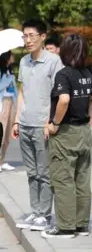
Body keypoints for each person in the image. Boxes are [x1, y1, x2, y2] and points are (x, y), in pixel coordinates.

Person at [12, 19, 64, 231]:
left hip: (42, 125)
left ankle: (44, 214)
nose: (28, 40)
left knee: (44, 172)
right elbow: (22, 91)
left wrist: (51, 123)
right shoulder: (24, 61)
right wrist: (16, 119)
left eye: (32, 35)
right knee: (31, 172)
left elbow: (58, 95)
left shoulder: (54, 62)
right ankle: (35, 213)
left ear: (43, 37)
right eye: (25, 36)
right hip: (24, 124)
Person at [42, 33, 91, 239]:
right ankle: (81, 225)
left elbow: (63, 100)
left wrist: (54, 124)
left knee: (63, 179)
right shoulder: (87, 73)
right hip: (84, 131)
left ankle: (66, 227)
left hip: (66, 132)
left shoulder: (64, 74)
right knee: (82, 178)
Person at [0, 50, 17, 172]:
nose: (13, 57)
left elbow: (14, 89)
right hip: (1, 103)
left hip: (11, 102)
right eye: (11, 55)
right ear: (6, 57)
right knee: (1, 132)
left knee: (7, 134)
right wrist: (7, 80)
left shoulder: (9, 71)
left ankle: (2, 159)